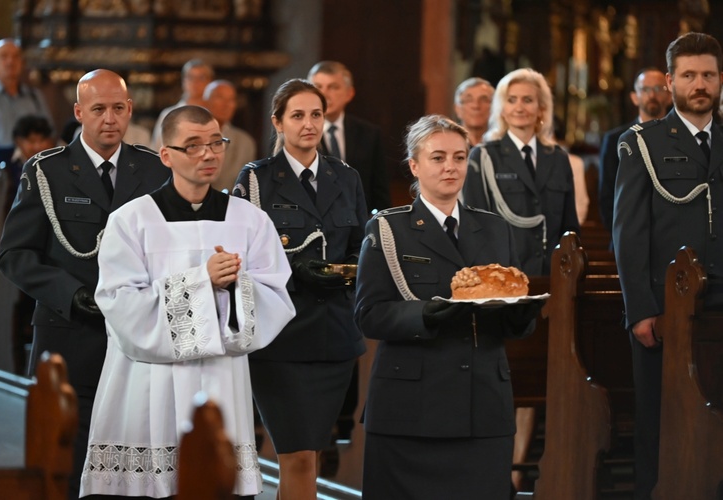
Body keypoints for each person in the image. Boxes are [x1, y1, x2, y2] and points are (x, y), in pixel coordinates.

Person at [79, 105, 296, 499]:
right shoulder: (131, 221)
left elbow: (275, 299)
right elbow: (120, 307)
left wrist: (233, 287)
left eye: (216, 143)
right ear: (166, 155)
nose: (209, 154)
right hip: (147, 386)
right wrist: (202, 281)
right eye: (193, 146)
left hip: (221, 382)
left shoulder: (250, 220)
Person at [0, 69, 171, 500]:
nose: (109, 119)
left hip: (135, 339)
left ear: (129, 110)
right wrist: (71, 295)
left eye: (117, 108)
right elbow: (15, 255)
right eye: (98, 109)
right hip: (68, 334)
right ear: (79, 113)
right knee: (64, 456)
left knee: (133, 453)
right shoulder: (48, 171)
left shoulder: (153, 169)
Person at [354, 114, 541, 499]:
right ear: (415, 165)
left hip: (481, 405)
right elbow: (369, 314)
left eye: (459, 157)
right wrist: (425, 314)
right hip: (413, 407)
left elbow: (506, 309)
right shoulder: (388, 229)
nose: (450, 167)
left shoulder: (493, 227)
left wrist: (522, 313)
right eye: (438, 157)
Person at [232, 79, 367, 500]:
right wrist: (296, 270)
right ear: (278, 122)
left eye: (316, 115)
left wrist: (343, 273)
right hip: (281, 337)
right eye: (297, 116)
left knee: (313, 451)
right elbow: (242, 256)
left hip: (335, 337)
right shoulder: (257, 180)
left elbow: (364, 247)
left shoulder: (345, 177)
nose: (308, 124)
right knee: (296, 455)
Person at [613, 32, 723, 500]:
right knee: (660, 421)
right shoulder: (642, 142)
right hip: (666, 309)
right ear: (671, 80)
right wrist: (639, 308)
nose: (700, 84)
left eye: (709, 74)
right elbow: (629, 232)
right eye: (689, 75)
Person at [463, 67, 580, 277]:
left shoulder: (558, 158)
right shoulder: (483, 157)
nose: (519, 107)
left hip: (552, 277)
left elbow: (570, 228)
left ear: (541, 108)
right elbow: (474, 227)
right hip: (503, 277)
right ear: (501, 109)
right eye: (511, 100)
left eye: (527, 100)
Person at [0, 115, 54, 373]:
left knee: (25, 305)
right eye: (30, 140)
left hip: (38, 244)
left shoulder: (51, 161)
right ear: (18, 141)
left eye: (40, 140)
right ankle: (2, 359)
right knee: (1, 303)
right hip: (1, 235)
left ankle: (26, 362)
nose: (35, 146)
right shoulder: (2, 157)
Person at [307, 60, 391, 213]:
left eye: (333, 87)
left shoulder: (369, 133)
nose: (324, 94)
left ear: (349, 93)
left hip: (359, 225)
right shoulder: (299, 132)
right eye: (318, 87)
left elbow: (380, 192)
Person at [0, 38, 53, 193]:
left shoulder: (35, 97)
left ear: (22, 63)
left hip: (31, 175)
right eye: (4, 56)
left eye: (16, 56)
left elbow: (48, 136)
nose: (10, 61)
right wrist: (9, 171)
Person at [599, 68, 671, 239]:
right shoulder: (614, 139)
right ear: (634, 97)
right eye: (645, 89)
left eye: (659, 89)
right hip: (625, 238)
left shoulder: (680, 137)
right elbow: (607, 196)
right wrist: (624, 235)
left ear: (670, 96)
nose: (652, 95)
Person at [203, 79, 257, 192]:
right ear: (206, 102)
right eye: (220, 98)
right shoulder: (193, 137)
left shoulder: (246, 142)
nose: (226, 104)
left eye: (231, 99)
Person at [150, 59, 214, 150]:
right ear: (183, 81)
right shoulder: (168, 115)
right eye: (190, 77)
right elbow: (157, 149)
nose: (195, 82)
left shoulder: (214, 115)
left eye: (201, 78)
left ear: (210, 82)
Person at [454, 77, 495, 146]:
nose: (476, 106)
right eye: (469, 100)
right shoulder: (447, 144)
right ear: (457, 109)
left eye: (483, 100)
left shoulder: (503, 145)